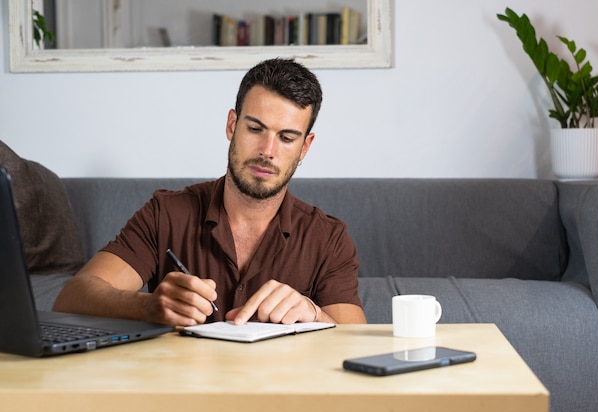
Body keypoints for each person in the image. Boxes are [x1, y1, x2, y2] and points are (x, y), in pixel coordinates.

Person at [54, 58, 367, 327]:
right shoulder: (166, 213)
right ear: (232, 125)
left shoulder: (328, 238)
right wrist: (148, 306)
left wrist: (315, 315)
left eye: (286, 138)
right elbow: (72, 297)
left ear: (305, 147)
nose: (267, 151)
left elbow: (355, 340)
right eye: (255, 129)